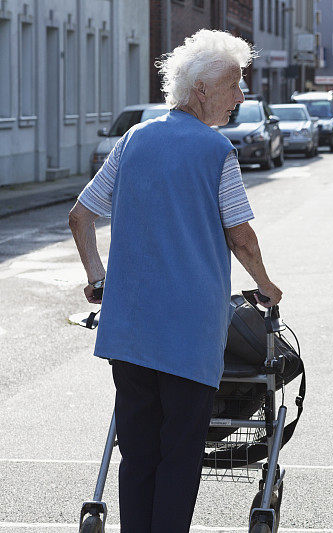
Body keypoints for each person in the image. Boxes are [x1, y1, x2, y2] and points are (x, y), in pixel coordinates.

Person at [68, 29, 282, 533]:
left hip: (130, 330)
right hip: (189, 333)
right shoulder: (215, 153)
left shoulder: (135, 138)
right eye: (234, 85)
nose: (241, 97)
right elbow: (242, 238)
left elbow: (80, 216)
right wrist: (267, 286)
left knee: (138, 453)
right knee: (180, 454)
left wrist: (99, 278)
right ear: (202, 89)